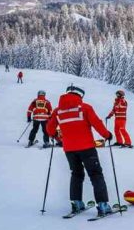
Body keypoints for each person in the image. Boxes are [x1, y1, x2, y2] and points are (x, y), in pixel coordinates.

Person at [47, 85, 114, 216]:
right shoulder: (85, 108)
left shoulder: (57, 111)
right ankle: (103, 205)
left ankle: (77, 203)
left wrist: (57, 138)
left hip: (69, 149)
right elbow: (97, 123)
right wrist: (107, 135)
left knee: (76, 174)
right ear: (80, 95)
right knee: (95, 175)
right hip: (87, 148)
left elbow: (49, 129)